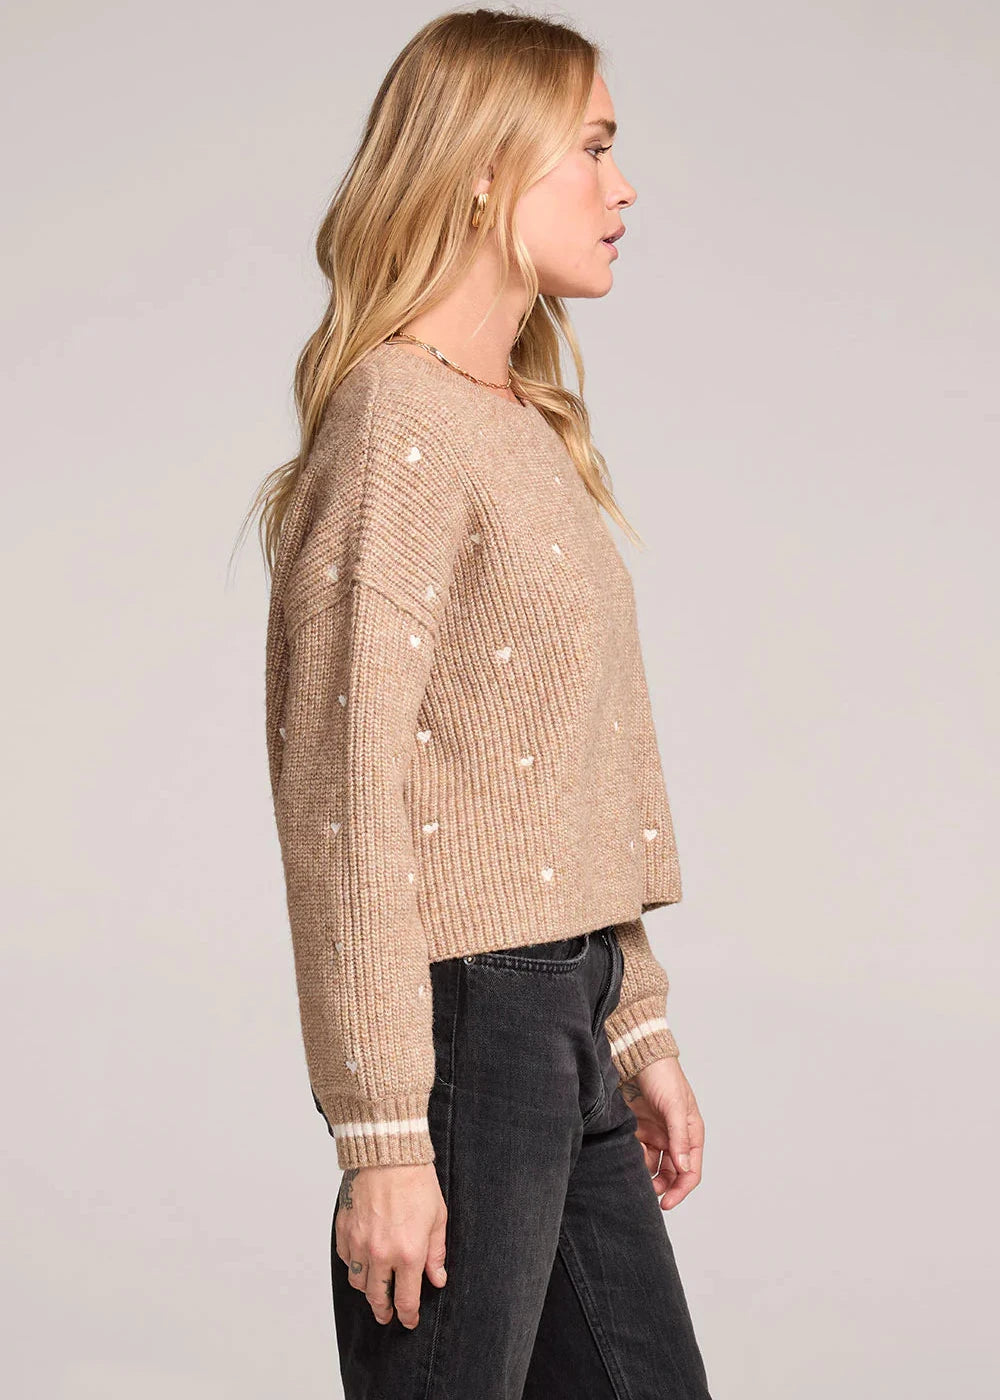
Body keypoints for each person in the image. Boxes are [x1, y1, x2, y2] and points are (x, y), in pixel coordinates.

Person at [251, 9, 712, 1397]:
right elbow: (345, 799)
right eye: (593, 149)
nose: (624, 187)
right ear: (482, 169)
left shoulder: (519, 420)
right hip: (465, 1031)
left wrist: (634, 1021)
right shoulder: (394, 421)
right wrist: (384, 1135)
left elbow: (562, 764)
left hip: (567, 1015)